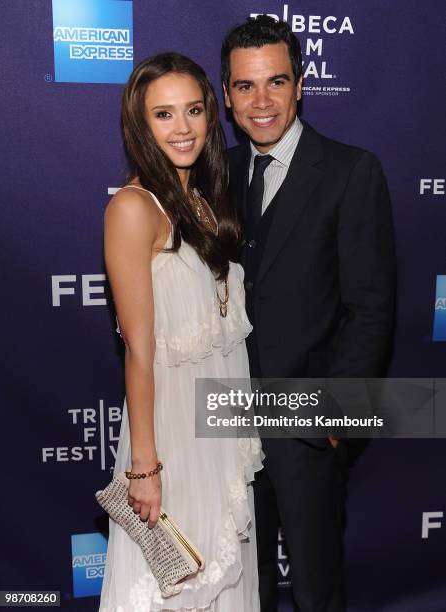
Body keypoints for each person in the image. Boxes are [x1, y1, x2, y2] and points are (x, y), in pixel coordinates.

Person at [221, 15, 396, 612]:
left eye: (277, 81)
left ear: (301, 85)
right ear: (226, 95)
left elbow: (371, 307)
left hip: (307, 426)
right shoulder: (214, 174)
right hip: (225, 422)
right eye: (246, 86)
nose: (262, 101)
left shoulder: (351, 171)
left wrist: (335, 419)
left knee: (317, 590)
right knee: (247, 587)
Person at [99, 52, 263, 612]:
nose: (183, 127)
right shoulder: (132, 208)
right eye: (163, 115)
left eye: (193, 110)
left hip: (217, 428)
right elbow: (139, 351)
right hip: (171, 439)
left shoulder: (204, 202)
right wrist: (144, 466)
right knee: (178, 585)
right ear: (140, 126)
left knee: (221, 571)